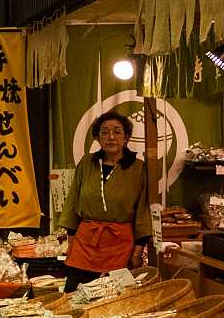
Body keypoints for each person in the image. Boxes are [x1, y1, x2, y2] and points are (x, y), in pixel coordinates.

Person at [54, 109, 154, 284]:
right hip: (86, 242)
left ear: (127, 137)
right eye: (105, 132)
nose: (111, 137)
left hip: (119, 244)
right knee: (73, 294)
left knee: (113, 299)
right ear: (97, 138)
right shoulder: (87, 162)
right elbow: (72, 201)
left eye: (117, 131)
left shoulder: (138, 168)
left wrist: (137, 252)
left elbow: (142, 211)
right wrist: (71, 241)